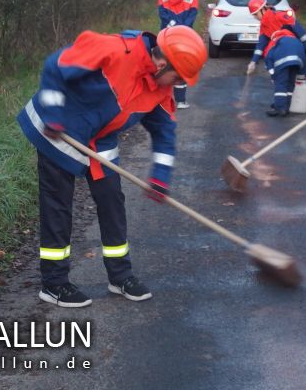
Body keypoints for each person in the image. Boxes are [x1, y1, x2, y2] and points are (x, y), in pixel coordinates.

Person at [16, 26, 208, 307]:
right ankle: (54, 284)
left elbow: (165, 131)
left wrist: (161, 176)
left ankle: (120, 276)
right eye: (178, 77)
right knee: (58, 206)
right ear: (163, 63)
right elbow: (55, 66)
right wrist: (55, 114)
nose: (178, 85)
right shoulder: (115, 51)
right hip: (60, 128)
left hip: (100, 137)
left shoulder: (160, 88)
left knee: (112, 202)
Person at [246, 0, 306, 111]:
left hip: (298, 47)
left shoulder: (280, 16)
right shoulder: (263, 26)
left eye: (256, 14)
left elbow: (300, 31)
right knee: (287, 78)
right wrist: (253, 62)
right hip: (282, 50)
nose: (255, 17)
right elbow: (261, 45)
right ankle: (282, 104)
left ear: (263, 9)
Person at [157, 0, 199, 109]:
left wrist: (171, 24)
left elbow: (162, 13)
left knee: (163, 66)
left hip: (165, 36)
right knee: (180, 66)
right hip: (183, 38)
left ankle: (161, 102)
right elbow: (192, 15)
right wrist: (181, 28)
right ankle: (180, 101)